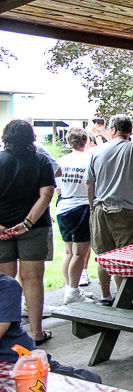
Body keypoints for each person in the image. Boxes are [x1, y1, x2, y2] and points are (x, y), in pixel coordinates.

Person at [87, 115, 133, 306]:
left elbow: (89, 183)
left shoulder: (97, 151)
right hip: (127, 212)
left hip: (101, 209)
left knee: (104, 256)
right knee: (125, 257)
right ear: (129, 131)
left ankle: (105, 296)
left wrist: (92, 206)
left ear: (113, 129)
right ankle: (122, 298)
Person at [0, 120, 55, 345]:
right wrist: (27, 223)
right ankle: (36, 332)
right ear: (30, 137)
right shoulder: (41, 161)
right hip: (34, 227)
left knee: (5, 281)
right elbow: (46, 195)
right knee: (32, 279)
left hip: (2, 230)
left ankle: (7, 334)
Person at [56, 127, 94, 305]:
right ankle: (72, 292)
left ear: (69, 142)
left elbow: (57, 188)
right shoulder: (89, 160)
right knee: (80, 253)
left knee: (68, 252)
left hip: (63, 207)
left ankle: (71, 288)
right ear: (86, 141)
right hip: (82, 207)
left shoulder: (60, 161)